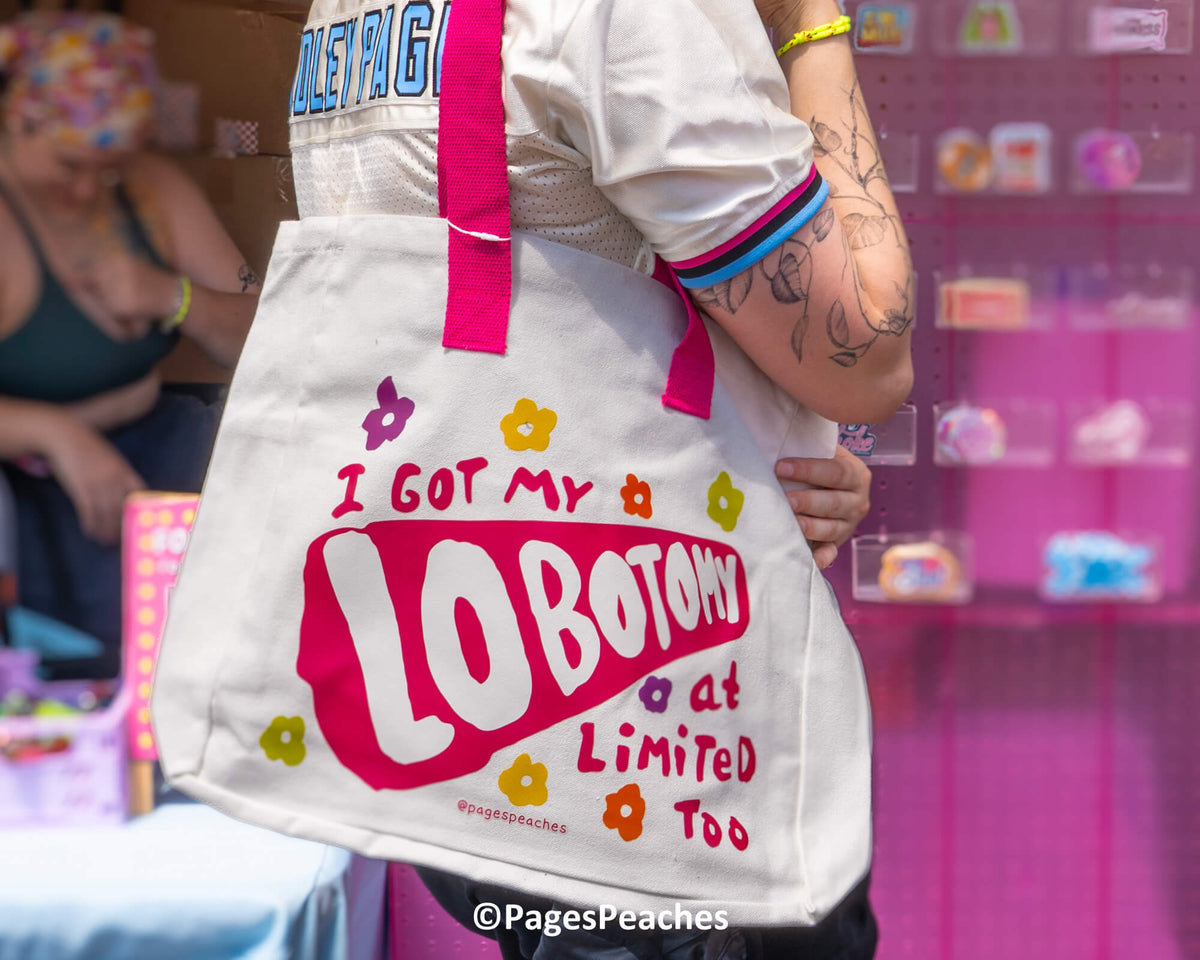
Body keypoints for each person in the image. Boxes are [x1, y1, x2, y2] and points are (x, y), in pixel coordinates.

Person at [286, 0, 912, 955]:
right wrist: (812, 31)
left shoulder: (351, 16)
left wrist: (766, 446)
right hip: (657, 709)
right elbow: (865, 352)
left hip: (476, 667)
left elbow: (527, 294)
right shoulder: (630, 14)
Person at [0, 11, 261, 678]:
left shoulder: (151, 191)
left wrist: (175, 297)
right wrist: (53, 431)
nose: (89, 189)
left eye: (108, 168)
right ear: (14, 120)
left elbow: (272, 338)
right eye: (69, 164)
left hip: (156, 444)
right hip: (23, 485)